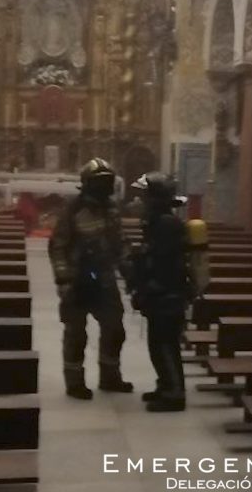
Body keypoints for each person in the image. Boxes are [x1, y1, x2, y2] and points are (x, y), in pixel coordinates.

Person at [49, 158, 133, 400]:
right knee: (76, 333)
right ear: (87, 184)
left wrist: (128, 267)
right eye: (100, 182)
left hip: (104, 278)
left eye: (107, 182)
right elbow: (58, 246)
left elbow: (119, 241)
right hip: (77, 279)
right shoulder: (73, 209)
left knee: (115, 329)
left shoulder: (112, 207)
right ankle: (74, 381)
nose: (105, 187)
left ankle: (110, 376)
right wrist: (63, 279)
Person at [128, 172, 192, 412]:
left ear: (156, 197)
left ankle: (174, 394)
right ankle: (165, 385)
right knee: (158, 343)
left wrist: (148, 287)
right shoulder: (160, 221)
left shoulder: (166, 223)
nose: (142, 200)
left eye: (146, 195)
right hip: (163, 292)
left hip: (167, 293)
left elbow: (163, 262)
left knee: (165, 345)